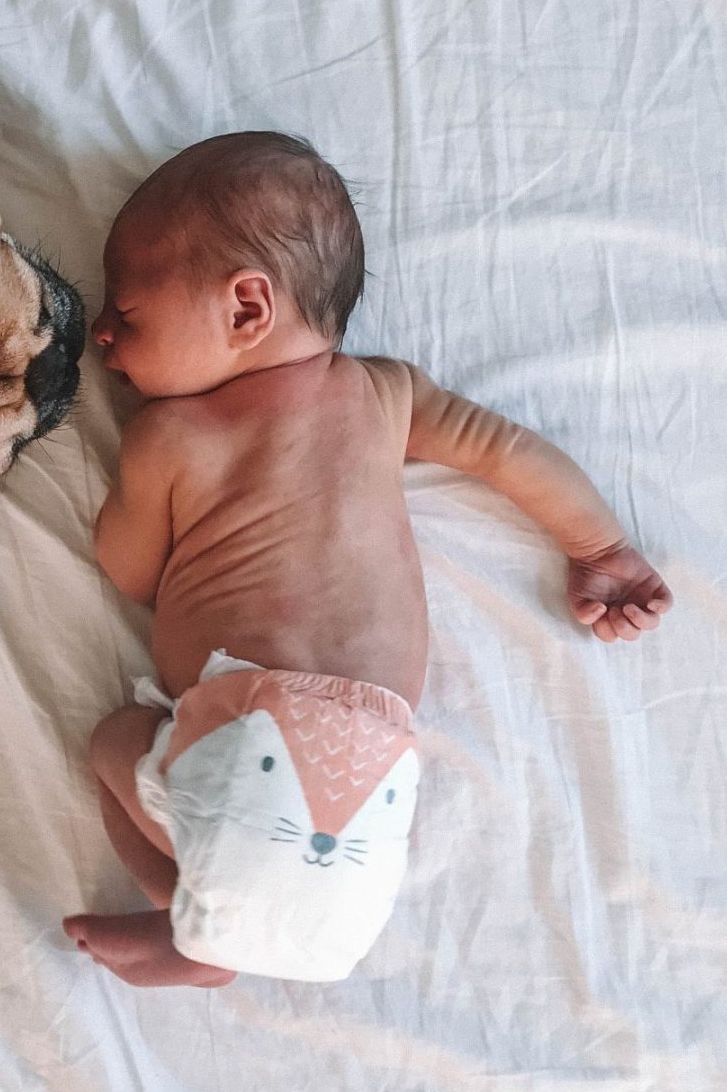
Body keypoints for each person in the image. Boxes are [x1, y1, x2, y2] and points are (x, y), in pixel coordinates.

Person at [64, 133, 671, 987]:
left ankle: (187, 921)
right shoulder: (386, 393)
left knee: (113, 741)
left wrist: (131, 493)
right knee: (187, 800)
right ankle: (208, 930)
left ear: (247, 308)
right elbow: (503, 449)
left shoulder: (170, 434)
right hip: (375, 767)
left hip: (248, 741)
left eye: (125, 314)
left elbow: (131, 575)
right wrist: (599, 545)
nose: (100, 337)